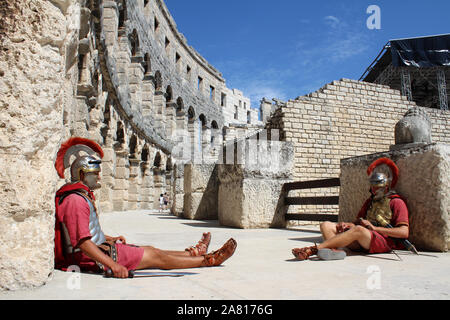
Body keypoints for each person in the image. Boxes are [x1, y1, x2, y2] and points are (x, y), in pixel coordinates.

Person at [54, 137, 237, 278]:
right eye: (95, 174)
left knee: (153, 250)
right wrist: (113, 265)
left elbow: (85, 233)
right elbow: (82, 242)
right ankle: (207, 261)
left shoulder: (79, 196)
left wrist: (110, 238)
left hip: (102, 249)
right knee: (154, 256)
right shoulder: (74, 200)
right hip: (92, 259)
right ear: (82, 174)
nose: (99, 178)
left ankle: (194, 253)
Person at [292, 157, 410, 261]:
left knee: (358, 230)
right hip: (362, 236)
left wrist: (374, 228)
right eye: (373, 187)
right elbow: (358, 222)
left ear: (386, 187)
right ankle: (333, 251)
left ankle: (313, 250)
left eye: (377, 187)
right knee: (326, 225)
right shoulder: (370, 202)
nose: (374, 191)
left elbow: (404, 232)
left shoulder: (396, 202)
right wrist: (347, 224)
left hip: (382, 241)